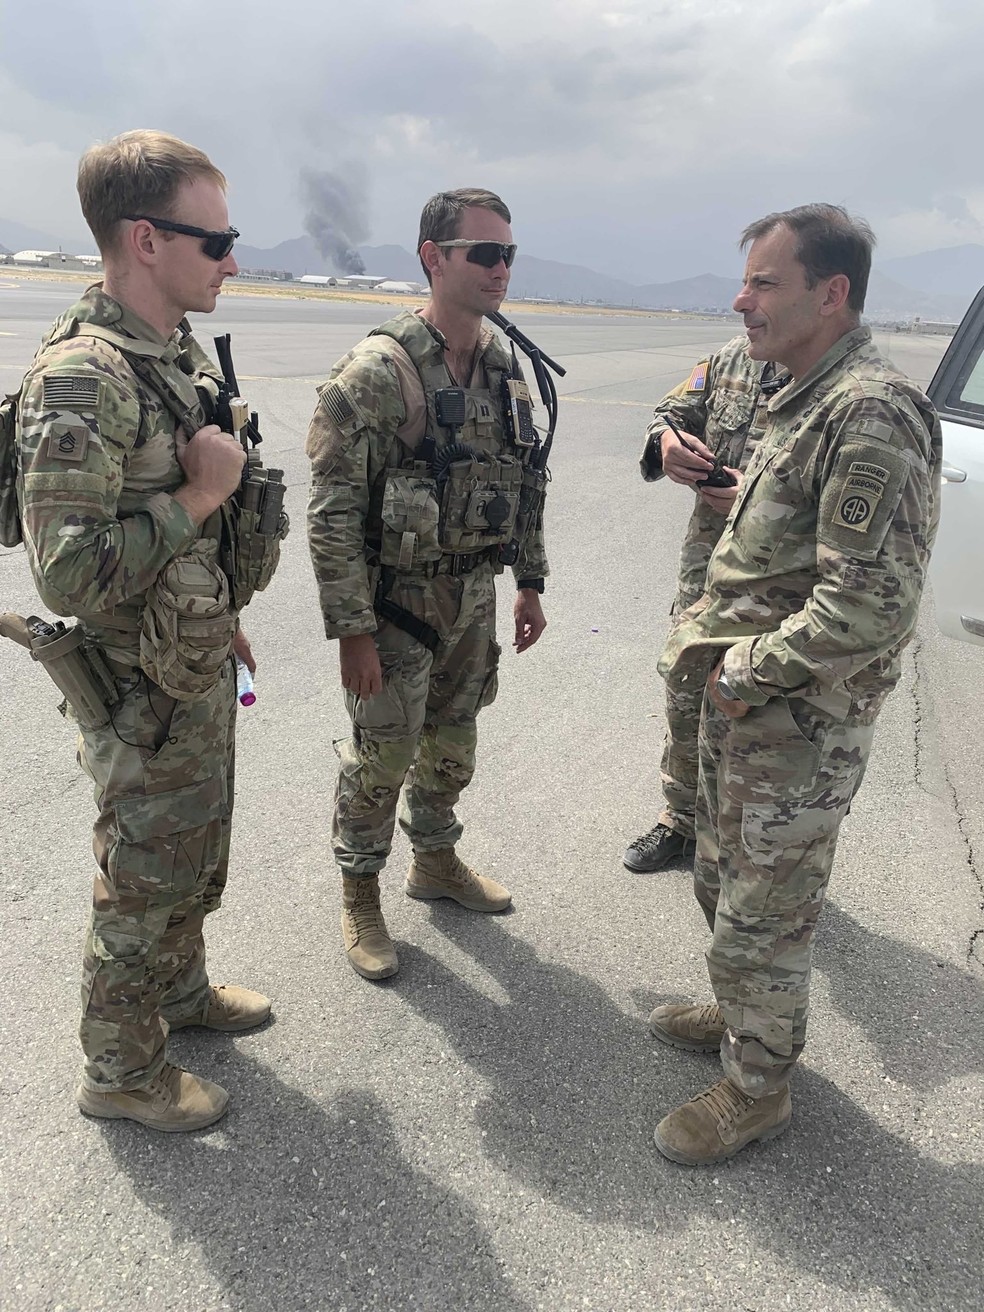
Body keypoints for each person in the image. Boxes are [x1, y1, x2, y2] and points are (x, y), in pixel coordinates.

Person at [650, 204, 941, 1165]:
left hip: (794, 721)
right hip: (745, 709)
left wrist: (743, 672)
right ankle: (744, 1016)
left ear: (831, 293)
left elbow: (868, 605)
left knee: (764, 913)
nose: (742, 300)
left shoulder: (868, 412)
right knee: (720, 878)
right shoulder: (800, 396)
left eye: (764, 283)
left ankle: (757, 1089)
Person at [14, 131, 271, 1132]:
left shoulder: (168, 353)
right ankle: (119, 1070)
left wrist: (221, 610)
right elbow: (69, 571)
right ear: (145, 239)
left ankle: (179, 993)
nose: (232, 262)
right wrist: (202, 496)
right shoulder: (84, 378)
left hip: (187, 658)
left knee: (194, 851)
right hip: (136, 688)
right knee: (142, 876)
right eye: (217, 241)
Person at [306, 187, 549, 981]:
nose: (501, 268)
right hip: (397, 607)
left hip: (473, 598)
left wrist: (529, 581)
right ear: (433, 258)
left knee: (454, 743)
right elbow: (332, 513)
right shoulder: (380, 371)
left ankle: (435, 861)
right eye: (485, 253)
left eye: (508, 253)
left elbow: (524, 480)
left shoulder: (503, 365)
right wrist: (352, 632)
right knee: (381, 757)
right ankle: (360, 892)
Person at [624, 340, 787, 873]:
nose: (745, 304)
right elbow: (669, 414)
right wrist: (666, 442)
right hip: (708, 572)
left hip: (782, 587)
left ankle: (753, 841)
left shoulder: (836, 384)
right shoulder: (732, 361)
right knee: (687, 692)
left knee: (765, 710)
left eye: (762, 295)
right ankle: (681, 819)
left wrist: (756, 497)